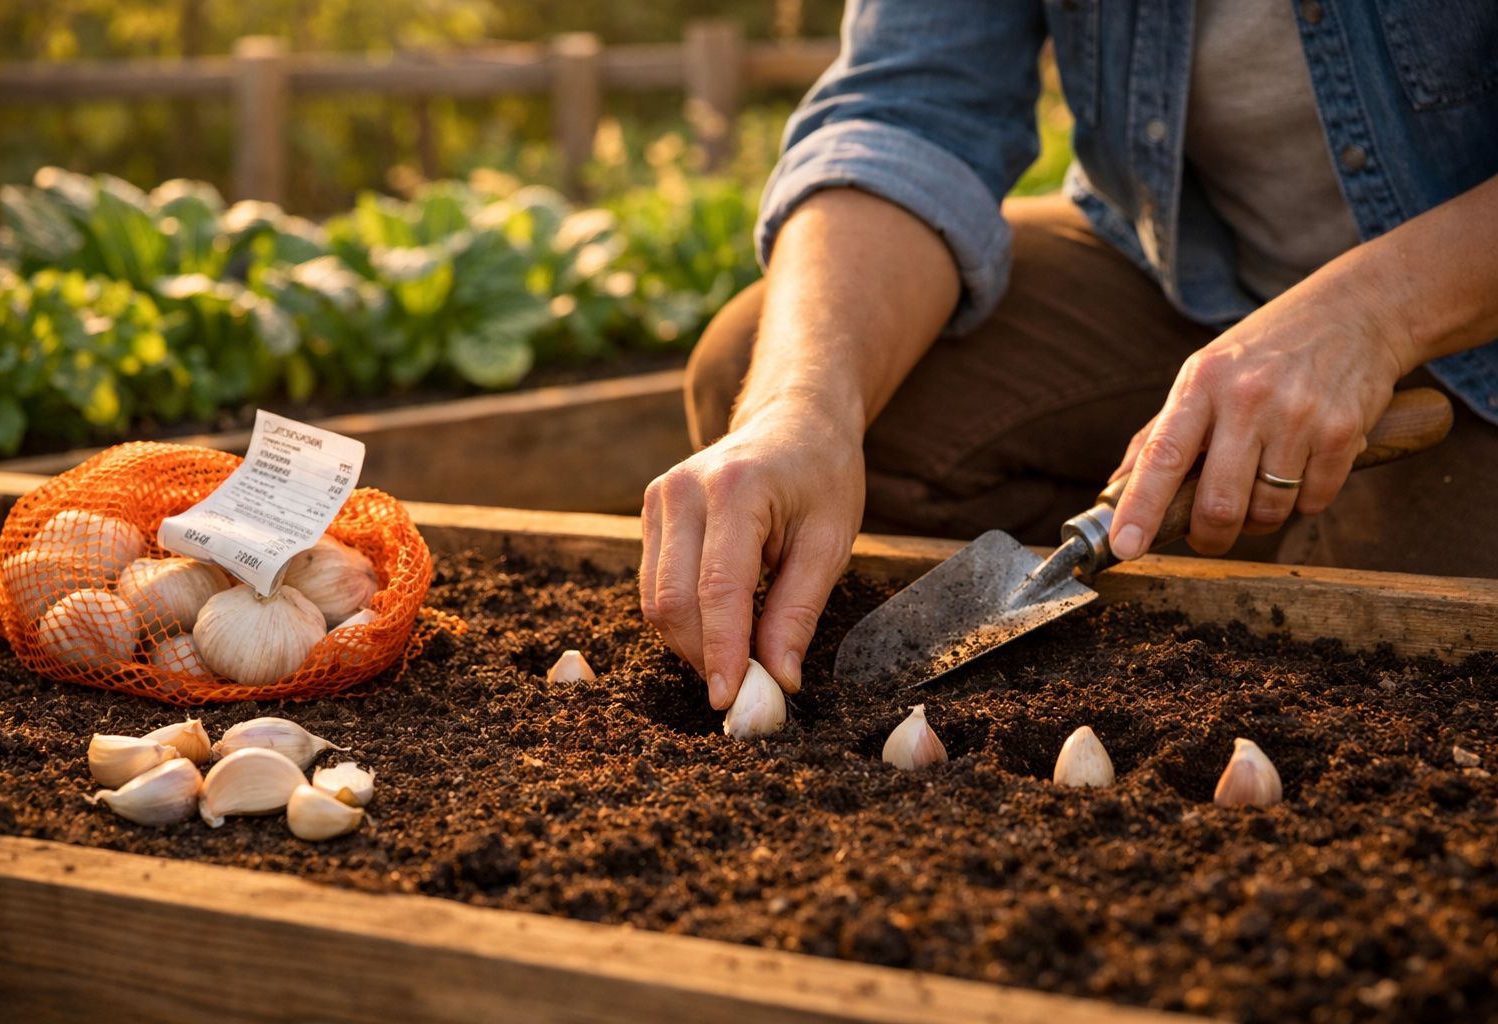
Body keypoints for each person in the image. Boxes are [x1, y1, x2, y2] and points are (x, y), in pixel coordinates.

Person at [640, 1, 1498, 711]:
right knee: (766, 373)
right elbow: (909, 106)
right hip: (1196, 270)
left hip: (1470, 321)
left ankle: (1253, 514)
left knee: (1381, 666)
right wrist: (804, 406)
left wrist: (1374, 314)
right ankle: (1187, 515)